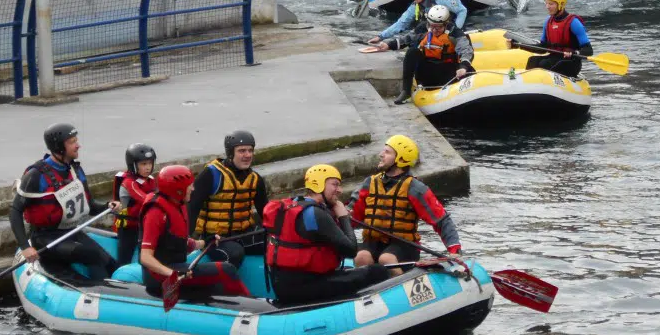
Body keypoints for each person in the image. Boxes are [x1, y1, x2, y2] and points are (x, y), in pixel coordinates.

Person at [9, 123, 121, 280]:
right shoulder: (36, 175)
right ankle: (101, 290)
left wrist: (107, 206)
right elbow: (15, 211)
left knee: (110, 263)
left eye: (76, 140)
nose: (78, 145)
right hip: (45, 238)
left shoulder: (76, 170)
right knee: (92, 255)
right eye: (72, 142)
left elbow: (90, 206)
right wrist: (25, 247)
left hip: (71, 232)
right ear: (59, 147)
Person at [264, 164, 389, 304]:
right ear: (318, 184)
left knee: (348, 270)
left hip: (283, 285)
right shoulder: (316, 213)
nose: (340, 190)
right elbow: (351, 250)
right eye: (335, 184)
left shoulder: (295, 204)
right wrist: (343, 217)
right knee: (377, 271)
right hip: (304, 288)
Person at [351, 135, 462, 276]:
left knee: (386, 259)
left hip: (404, 247)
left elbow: (441, 220)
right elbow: (353, 215)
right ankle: (368, 286)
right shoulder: (369, 183)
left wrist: (454, 250)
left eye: (387, 152)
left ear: (401, 159)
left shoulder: (415, 188)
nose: (381, 154)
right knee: (361, 257)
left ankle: (401, 286)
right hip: (373, 243)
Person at [139, 165, 249, 298]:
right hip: (159, 276)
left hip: (176, 266)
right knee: (226, 269)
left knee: (218, 284)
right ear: (178, 190)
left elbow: (179, 242)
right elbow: (145, 258)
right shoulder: (155, 213)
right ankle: (249, 303)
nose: (193, 188)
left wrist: (205, 242)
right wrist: (173, 274)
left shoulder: (178, 205)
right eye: (189, 186)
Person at [189, 130, 268, 268]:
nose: (248, 155)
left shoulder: (255, 179)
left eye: (250, 150)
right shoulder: (211, 175)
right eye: (242, 151)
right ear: (231, 153)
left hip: (244, 233)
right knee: (235, 253)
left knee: (276, 244)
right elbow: (191, 208)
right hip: (215, 238)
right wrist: (187, 240)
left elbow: (266, 212)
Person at [370, 5, 475, 105]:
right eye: (432, 26)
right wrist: (388, 45)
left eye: (438, 27)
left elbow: (466, 50)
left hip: (447, 72)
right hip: (427, 72)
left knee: (469, 69)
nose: (434, 30)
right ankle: (406, 92)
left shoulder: (455, 33)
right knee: (412, 52)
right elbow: (407, 38)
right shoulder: (423, 28)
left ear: (446, 24)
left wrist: (463, 67)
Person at [365, 0, 467, 46]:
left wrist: (454, 31)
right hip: (433, 31)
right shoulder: (415, 6)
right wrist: (381, 37)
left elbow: (462, 11)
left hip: (450, 29)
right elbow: (401, 23)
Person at [513, 0, 593, 78]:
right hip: (554, 57)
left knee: (544, 64)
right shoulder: (548, 22)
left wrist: (575, 52)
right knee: (533, 60)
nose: (547, 7)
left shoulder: (574, 22)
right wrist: (519, 45)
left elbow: (589, 50)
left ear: (561, 5)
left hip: (571, 63)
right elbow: (542, 48)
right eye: (546, 3)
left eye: (551, 4)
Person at [112, 143, 157, 266]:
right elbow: (145, 200)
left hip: (142, 225)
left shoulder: (150, 180)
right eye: (143, 164)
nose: (148, 167)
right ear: (133, 165)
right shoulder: (129, 183)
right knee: (124, 258)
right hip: (128, 228)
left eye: (150, 163)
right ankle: (120, 272)